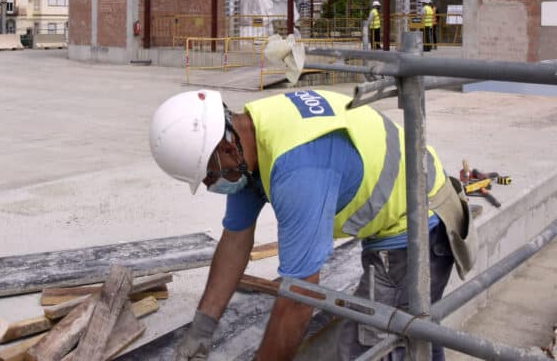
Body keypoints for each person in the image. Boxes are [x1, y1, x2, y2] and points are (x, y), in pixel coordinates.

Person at [149, 88, 476, 361]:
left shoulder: (299, 170)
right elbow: (235, 241)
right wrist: (202, 329)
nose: (210, 185)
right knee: (414, 338)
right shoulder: (252, 138)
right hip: (410, 209)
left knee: (369, 348)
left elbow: (300, 299)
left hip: (418, 225)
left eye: (208, 174)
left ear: (226, 147)